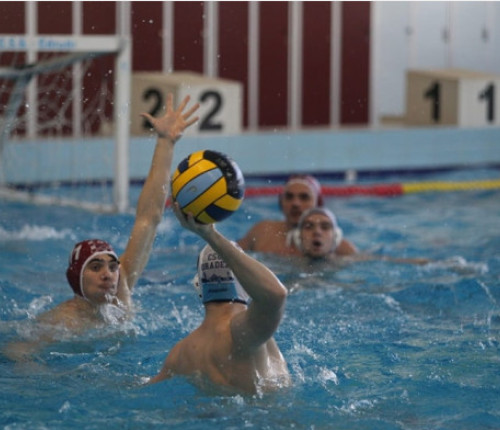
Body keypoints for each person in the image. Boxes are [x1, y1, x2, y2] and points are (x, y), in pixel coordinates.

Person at [4, 94, 200, 361]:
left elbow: (148, 218)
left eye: (112, 266)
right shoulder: (62, 322)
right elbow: (16, 350)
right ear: (76, 279)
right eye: (95, 268)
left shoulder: (122, 290)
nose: (108, 275)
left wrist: (165, 143)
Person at [148, 202, 291, 395]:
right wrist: (210, 235)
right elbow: (276, 294)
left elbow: (144, 388)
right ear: (247, 285)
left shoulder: (179, 354)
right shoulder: (244, 333)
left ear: (198, 286)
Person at [238, 174, 356, 257]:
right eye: (289, 197)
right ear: (281, 202)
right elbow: (230, 255)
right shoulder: (262, 231)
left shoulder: (337, 247)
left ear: (318, 204)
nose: (295, 203)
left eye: (304, 197)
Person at [297, 207, 429, 265]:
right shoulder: (284, 262)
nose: (317, 232)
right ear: (299, 237)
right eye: (309, 226)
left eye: (325, 227)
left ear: (335, 238)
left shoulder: (348, 261)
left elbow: (387, 260)